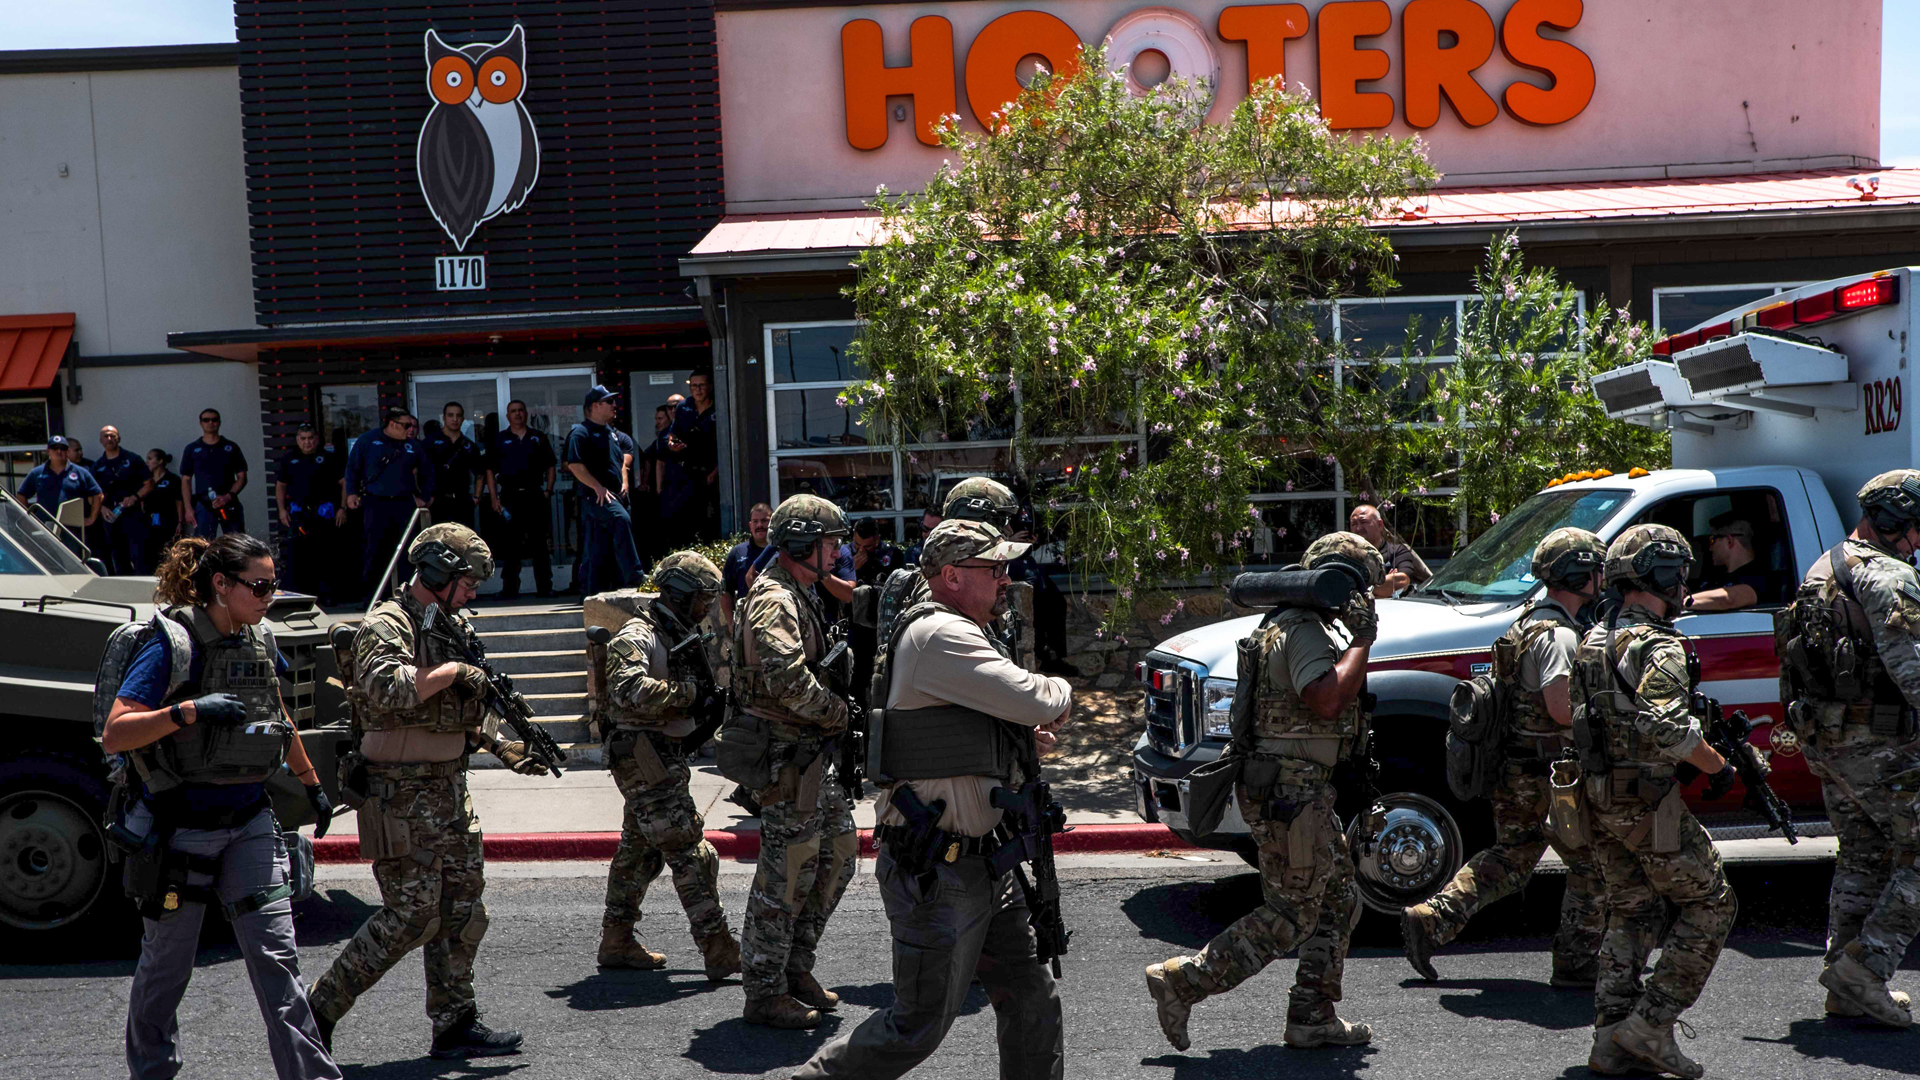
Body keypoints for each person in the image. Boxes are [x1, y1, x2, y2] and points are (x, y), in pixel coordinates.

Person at [795, 518, 1069, 1080]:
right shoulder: (940, 634)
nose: (1004, 578)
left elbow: (983, 721)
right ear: (951, 575)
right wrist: (1058, 691)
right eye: (992, 568)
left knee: (1030, 996)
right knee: (917, 1023)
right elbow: (1034, 695)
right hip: (936, 869)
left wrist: (1017, 734)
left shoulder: (962, 632)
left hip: (987, 861)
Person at [102, 533, 340, 1080]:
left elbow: (277, 713)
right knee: (167, 969)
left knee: (279, 963)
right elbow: (117, 732)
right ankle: (153, 1071)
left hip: (251, 821)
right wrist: (188, 711)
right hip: (182, 830)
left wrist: (311, 785)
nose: (268, 595)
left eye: (272, 584)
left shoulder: (259, 637)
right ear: (220, 584)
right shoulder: (173, 644)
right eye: (259, 586)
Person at [307, 524, 549, 1060]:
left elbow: (455, 711)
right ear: (437, 573)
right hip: (399, 794)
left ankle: (455, 1021)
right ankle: (317, 1010)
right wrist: (454, 670)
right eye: (466, 580)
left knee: (462, 910)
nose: (473, 592)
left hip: (447, 790)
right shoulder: (388, 623)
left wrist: (502, 745)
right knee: (409, 916)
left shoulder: (449, 623)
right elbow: (385, 688)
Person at [1146, 531, 1383, 1054]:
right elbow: (1324, 700)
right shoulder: (1303, 630)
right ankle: (1184, 981)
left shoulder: (1286, 622)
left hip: (1296, 791)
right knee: (1293, 912)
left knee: (1338, 902)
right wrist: (1363, 642)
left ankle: (1312, 1015)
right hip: (1292, 795)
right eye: (1362, 590)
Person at [1401, 528, 1608, 987]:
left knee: (1511, 858)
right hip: (1551, 775)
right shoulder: (1559, 636)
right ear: (1576, 574)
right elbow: (1558, 706)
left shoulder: (1525, 624)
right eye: (1594, 569)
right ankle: (1577, 964)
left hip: (1516, 768)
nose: (1600, 577)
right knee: (1591, 866)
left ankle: (1432, 918)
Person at [1570, 524, 1736, 1079]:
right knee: (1712, 902)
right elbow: (1667, 727)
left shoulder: (1593, 638)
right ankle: (1650, 1023)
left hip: (1599, 799)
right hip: (1648, 803)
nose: (1684, 583)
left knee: (1633, 909)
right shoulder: (1657, 643)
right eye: (1678, 572)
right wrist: (1719, 766)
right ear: (1660, 575)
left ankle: (1610, 1040)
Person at [1784, 470, 1920, 1028]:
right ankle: (1865, 970)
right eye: (1916, 527)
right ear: (1893, 519)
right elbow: (1911, 672)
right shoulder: (1888, 578)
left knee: (1864, 853)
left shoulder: (1823, 567)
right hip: (1881, 743)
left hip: (1831, 741)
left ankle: (1845, 976)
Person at [732, 493, 858, 1029]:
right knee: (786, 874)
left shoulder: (801, 592)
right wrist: (837, 713)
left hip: (810, 755)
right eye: (830, 543)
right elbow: (787, 681)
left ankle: (794, 968)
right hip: (787, 755)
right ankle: (763, 991)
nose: (836, 553)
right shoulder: (775, 599)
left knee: (839, 855)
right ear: (803, 544)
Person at [596, 551, 742, 981]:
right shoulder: (639, 633)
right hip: (643, 754)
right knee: (689, 851)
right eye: (702, 598)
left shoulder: (673, 631)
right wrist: (689, 695)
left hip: (661, 752)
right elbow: (626, 689)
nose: (706, 607)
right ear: (679, 594)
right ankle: (718, 947)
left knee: (638, 854)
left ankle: (616, 939)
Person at [345, 407, 433, 600]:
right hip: (376, 503)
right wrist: (350, 493)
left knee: (406, 551)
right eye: (406, 425)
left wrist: (424, 497)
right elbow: (352, 469)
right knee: (375, 551)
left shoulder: (413, 446)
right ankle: (373, 598)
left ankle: (406, 596)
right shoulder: (368, 440)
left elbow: (428, 473)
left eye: (412, 425)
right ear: (392, 424)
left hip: (403, 503)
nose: (410, 429)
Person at [564, 385, 643, 596]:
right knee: (621, 520)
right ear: (596, 406)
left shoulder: (612, 433)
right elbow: (574, 465)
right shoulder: (580, 433)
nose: (614, 405)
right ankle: (635, 576)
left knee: (594, 546)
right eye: (609, 402)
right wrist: (597, 486)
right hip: (596, 496)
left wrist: (624, 482)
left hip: (615, 495)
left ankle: (589, 592)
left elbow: (619, 463)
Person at [485, 400, 557, 598]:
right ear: (508, 416)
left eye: (520, 411)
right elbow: (489, 470)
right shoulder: (500, 439)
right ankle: (509, 589)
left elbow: (551, 465)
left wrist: (548, 490)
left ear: (526, 414)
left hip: (535, 495)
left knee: (539, 545)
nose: (517, 414)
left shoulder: (538, 437)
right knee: (510, 546)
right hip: (510, 497)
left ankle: (544, 587)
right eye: (513, 412)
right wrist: (494, 498)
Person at [276, 424, 346, 602]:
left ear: (316, 439)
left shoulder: (329, 458)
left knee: (325, 555)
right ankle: (300, 596)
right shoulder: (289, 459)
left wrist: (342, 508)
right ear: (298, 440)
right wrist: (282, 510)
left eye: (310, 438)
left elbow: (344, 483)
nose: (307, 442)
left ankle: (327, 596)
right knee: (298, 556)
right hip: (298, 513)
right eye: (303, 438)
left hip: (324, 513)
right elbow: (281, 486)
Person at [183, 409, 249, 539]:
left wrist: (228, 496)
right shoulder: (192, 449)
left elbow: (242, 477)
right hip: (203, 504)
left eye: (214, 419)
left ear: (219, 423)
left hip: (229, 503)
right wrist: (188, 508)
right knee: (202, 545)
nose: (210, 423)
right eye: (206, 420)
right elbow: (186, 480)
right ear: (201, 423)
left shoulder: (231, 447)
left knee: (237, 545)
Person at [93, 425, 148, 574]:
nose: (109, 439)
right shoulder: (97, 466)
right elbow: (91, 495)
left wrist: (135, 497)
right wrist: (101, 508)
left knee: (139, 556)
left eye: (112, 435)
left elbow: (149, 484)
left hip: (132, 515)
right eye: (106, 436)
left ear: (119, 438)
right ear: (101, 440)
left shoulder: (133, 459)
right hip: (111, 517)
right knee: (118, 557)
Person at [15, 435, 102, 529]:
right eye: (54, 448)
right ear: (48, 451)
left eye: (62, 448)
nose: (59, 451)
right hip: (45, 526)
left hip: (73, 529)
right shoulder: (37, 473)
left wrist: (91, 518)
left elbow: (98, 494)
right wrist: (28, 518)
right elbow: (21, 495)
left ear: (68, 451)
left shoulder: (80, 472)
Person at [1348, 503, 1429, 598]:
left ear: (1380, 524)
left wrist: (1356, 587)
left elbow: (1402, 581)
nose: (1358, 528)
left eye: (1364, 522)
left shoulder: (1397, 551)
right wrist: (1384, 584)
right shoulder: (1346, 554)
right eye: (1354, 524)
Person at [1688, 516, 1769, 612]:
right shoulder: (1715, 575)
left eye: (1712, 540)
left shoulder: (1757, 576)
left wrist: (1682, 603)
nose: (1710, 548)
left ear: (1729, 541)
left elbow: (1730, 599)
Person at [427, 402, 486, 529]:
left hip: (463, 501)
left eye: (458, 416)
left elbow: (480, 474)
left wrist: (476, 497)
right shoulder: (430, 442)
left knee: (462, 543)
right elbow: (418, 471)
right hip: (437, 502)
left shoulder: (469, 445)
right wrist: (425, 498)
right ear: (443, 418)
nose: (455, 419)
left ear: (463, 419)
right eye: (450, 415)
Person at [721, 501, 772, 631]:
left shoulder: (782, 552)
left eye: (764, 521)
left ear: (773, 523)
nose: (759, 525)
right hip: (747, 623)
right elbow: (726, 591)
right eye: (755, 521)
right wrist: (731, 622)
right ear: (750, 525)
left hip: (777, 618)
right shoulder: (737, 553)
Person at [140, 449, 189, 573]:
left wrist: (180, 521)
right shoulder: (147, 481)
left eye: (150, 459)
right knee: (150, 553)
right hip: (149, 521)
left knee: (168, 551)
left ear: (160, 461)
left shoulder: (172, 479)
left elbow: (179, 501)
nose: (147, 462)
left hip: (168, 520)